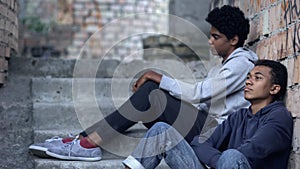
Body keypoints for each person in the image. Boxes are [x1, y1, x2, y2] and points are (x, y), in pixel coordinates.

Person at [29, 5, 258, 161]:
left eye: (215, 37)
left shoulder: (241, 64)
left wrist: (158, 77)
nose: (210, 41)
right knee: (149, 97)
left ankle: (88, 144)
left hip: (216, 133)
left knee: (151, 92)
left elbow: (200, 94)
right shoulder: (227, 63)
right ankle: (84, 139)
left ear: (234, 40)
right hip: (205, 125)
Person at [122, 59, 294, 169]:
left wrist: (220, 160)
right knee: (161, 130)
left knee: (232, 156)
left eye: (257, 78)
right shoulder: (239, 116)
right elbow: (199, 143)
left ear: (274, 88)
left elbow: (252, 151)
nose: (248, 81)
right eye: (248, 77)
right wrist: (219, 161)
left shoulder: (279, 117)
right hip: (222, 165)